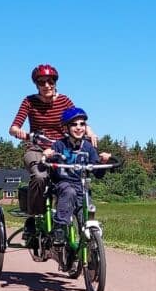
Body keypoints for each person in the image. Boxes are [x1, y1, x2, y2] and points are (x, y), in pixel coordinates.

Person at [9, 64, 97, 232]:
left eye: (50, 81)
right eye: (42, 82)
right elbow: (13, 128)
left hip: (62, 148)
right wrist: (24, 134)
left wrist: (91, 132)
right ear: (36, 85)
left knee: (76, 180)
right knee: (40, 176)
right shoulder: (29, 101)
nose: (47, 85)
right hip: (36, 148)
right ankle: (33, 218)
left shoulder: (64, 100)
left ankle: (71, 223)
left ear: (55, 82)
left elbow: (77, 117)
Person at [42, 107, 112, 245]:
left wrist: (103, 161)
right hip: (63, 186)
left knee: (85, 216)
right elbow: (47, 163)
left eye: (82, 124)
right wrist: (47, 155)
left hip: (82, 189)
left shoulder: (88, 147)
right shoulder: (59, 145)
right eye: (74, 124)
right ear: (66, 128)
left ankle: (91, 252)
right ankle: (60, 228)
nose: (79, 127)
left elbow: (98, 173)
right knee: (69, 192)